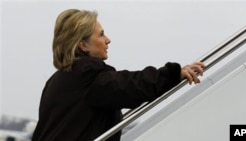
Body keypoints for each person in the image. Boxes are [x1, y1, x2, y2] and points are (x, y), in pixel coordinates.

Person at [32, 9, 205, 141]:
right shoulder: (88, 74)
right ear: (83, 45)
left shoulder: (57, 80)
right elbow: (132, 86)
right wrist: (174, 74)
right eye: (101, 34)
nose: (108, 40)